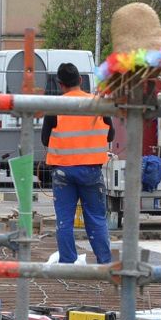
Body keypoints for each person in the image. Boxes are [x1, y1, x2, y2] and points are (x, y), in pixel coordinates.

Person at [42, 62, 114, 264]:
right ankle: (104, 262)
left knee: (64, 220)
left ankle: (67, 261)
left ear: (59, 83)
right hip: (91, 170)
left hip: (63, 170)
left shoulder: (55, 107)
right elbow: (111, 133)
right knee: (96, 219)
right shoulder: (97, 104)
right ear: (80, 80)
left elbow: (44, 139)